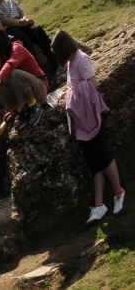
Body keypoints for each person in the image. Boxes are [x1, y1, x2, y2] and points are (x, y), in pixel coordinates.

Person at [53, 30, 126, 226]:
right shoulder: (71, 62)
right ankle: (99, 204)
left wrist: (72, 93)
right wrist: (66, 93)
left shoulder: (81, 59)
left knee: (102, 154)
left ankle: (119, 192)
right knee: (93, 161)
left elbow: (92, 84)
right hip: (81, 119)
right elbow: (76, 85)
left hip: (91, 116)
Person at [0, 29, 48, 130]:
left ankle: (34, 108)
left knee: (14, 74)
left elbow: (11, 64)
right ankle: (21, 111)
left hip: (39, 88)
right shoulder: (4, 59)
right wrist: (14, 110)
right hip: (26, 93)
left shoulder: (17, 48)